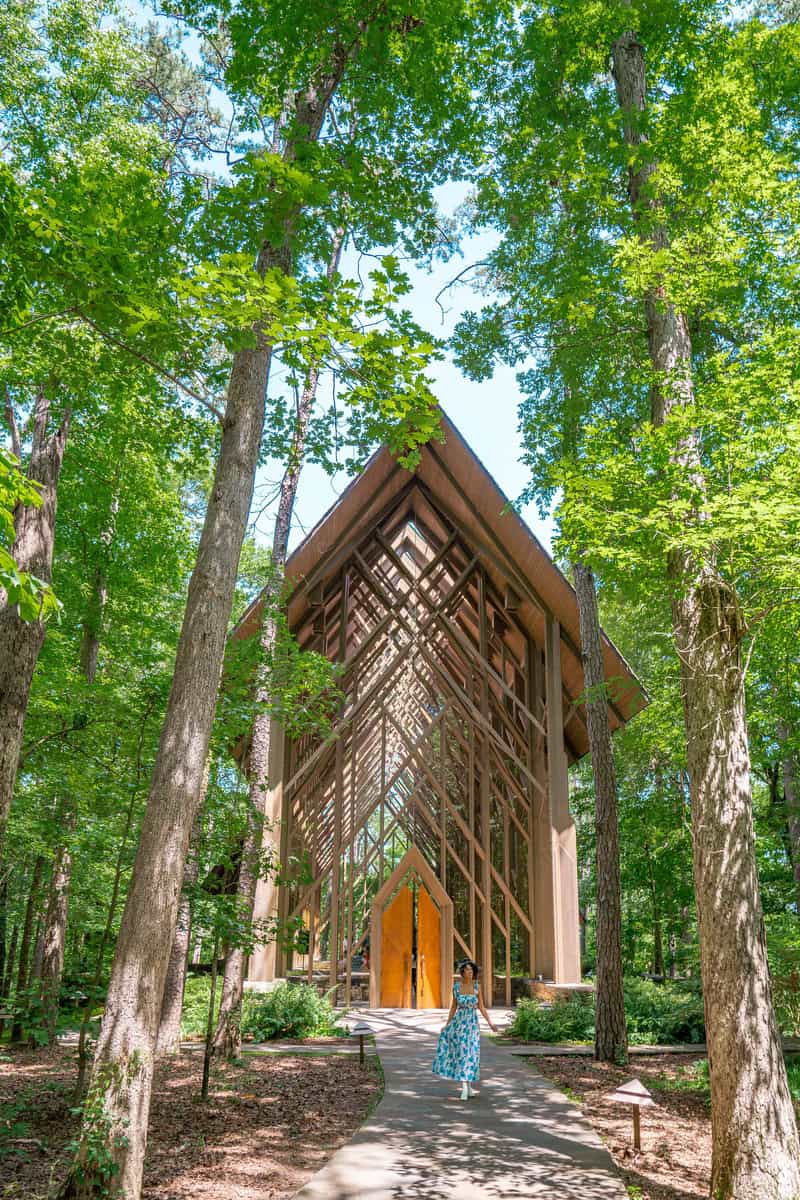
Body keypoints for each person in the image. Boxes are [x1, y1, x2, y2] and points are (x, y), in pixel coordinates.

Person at [432, 959, 496, 1100]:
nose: (470, 972)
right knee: (462, 1053)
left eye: (472, 970)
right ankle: (465, 1087)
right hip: (459, 1024)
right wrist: (447, 1024)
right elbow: (453, 1007)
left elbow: (482, 1007)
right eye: (467, 969)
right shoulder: (456, 987)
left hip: (472, 1025)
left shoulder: (476, 987)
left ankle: (469, 1086)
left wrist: (490, 1023)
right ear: (462, 972)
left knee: (471, 1054)